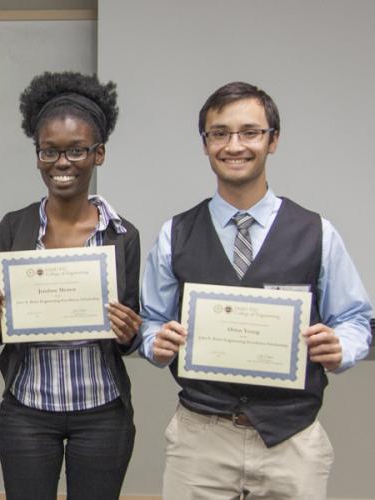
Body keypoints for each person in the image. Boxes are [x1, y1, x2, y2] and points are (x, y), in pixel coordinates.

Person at [139, 81, 373, 499]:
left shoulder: (317, 232)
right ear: (205, 143)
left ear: (273, 141)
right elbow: (151, 321)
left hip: (292, 441)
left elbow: (357, 319)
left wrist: (343, 347)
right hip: (200, 438)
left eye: (250, 132)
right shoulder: (175, 233)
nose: (234, 145)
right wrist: (156, 342)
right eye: (220, 133)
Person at [0, 72, 141, 499]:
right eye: (49, 151)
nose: (61, 163)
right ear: (37, 155)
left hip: (102, 411)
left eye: (76, 151)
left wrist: (128, 334)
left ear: (98, 154)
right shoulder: (15, 226)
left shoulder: (123, 236)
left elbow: (130, 334)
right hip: (28, 409)